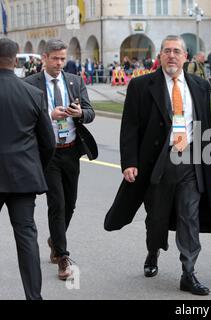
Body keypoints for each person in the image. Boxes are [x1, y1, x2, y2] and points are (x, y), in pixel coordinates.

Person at [104, 35, 211, 296]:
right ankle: (153, 250)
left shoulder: (200, 86)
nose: (172, 56)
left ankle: (189, 273)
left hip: (192, 160)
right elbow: (130, 128)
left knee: (189, 216)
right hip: (158, 162)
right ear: (159, 56)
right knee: (157, 217)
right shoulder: (141, 85)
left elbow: (205, 127)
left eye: (177, 51)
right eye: (167, 51)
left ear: (186, 57)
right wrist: (129, 163)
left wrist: (210, 163)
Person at [24, 39, 98, 281]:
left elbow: (90, 112)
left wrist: (80, 113)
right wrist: (49, 115)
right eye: (55, 58)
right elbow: (24, 118)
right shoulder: (31, 84)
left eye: (63, 58)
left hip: (71, 151)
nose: (59, 63)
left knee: (70, 203)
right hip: (49, 153)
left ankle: (55, 240)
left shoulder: (75, 81)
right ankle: (63, 257)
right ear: (44, 58)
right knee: (57, 203)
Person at [0, 38, 55, 300]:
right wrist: (35, 168)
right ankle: (34, 297)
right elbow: (49, 142)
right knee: (27, 239)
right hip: (23, 177)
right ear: (15, 60)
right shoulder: (33, 93)